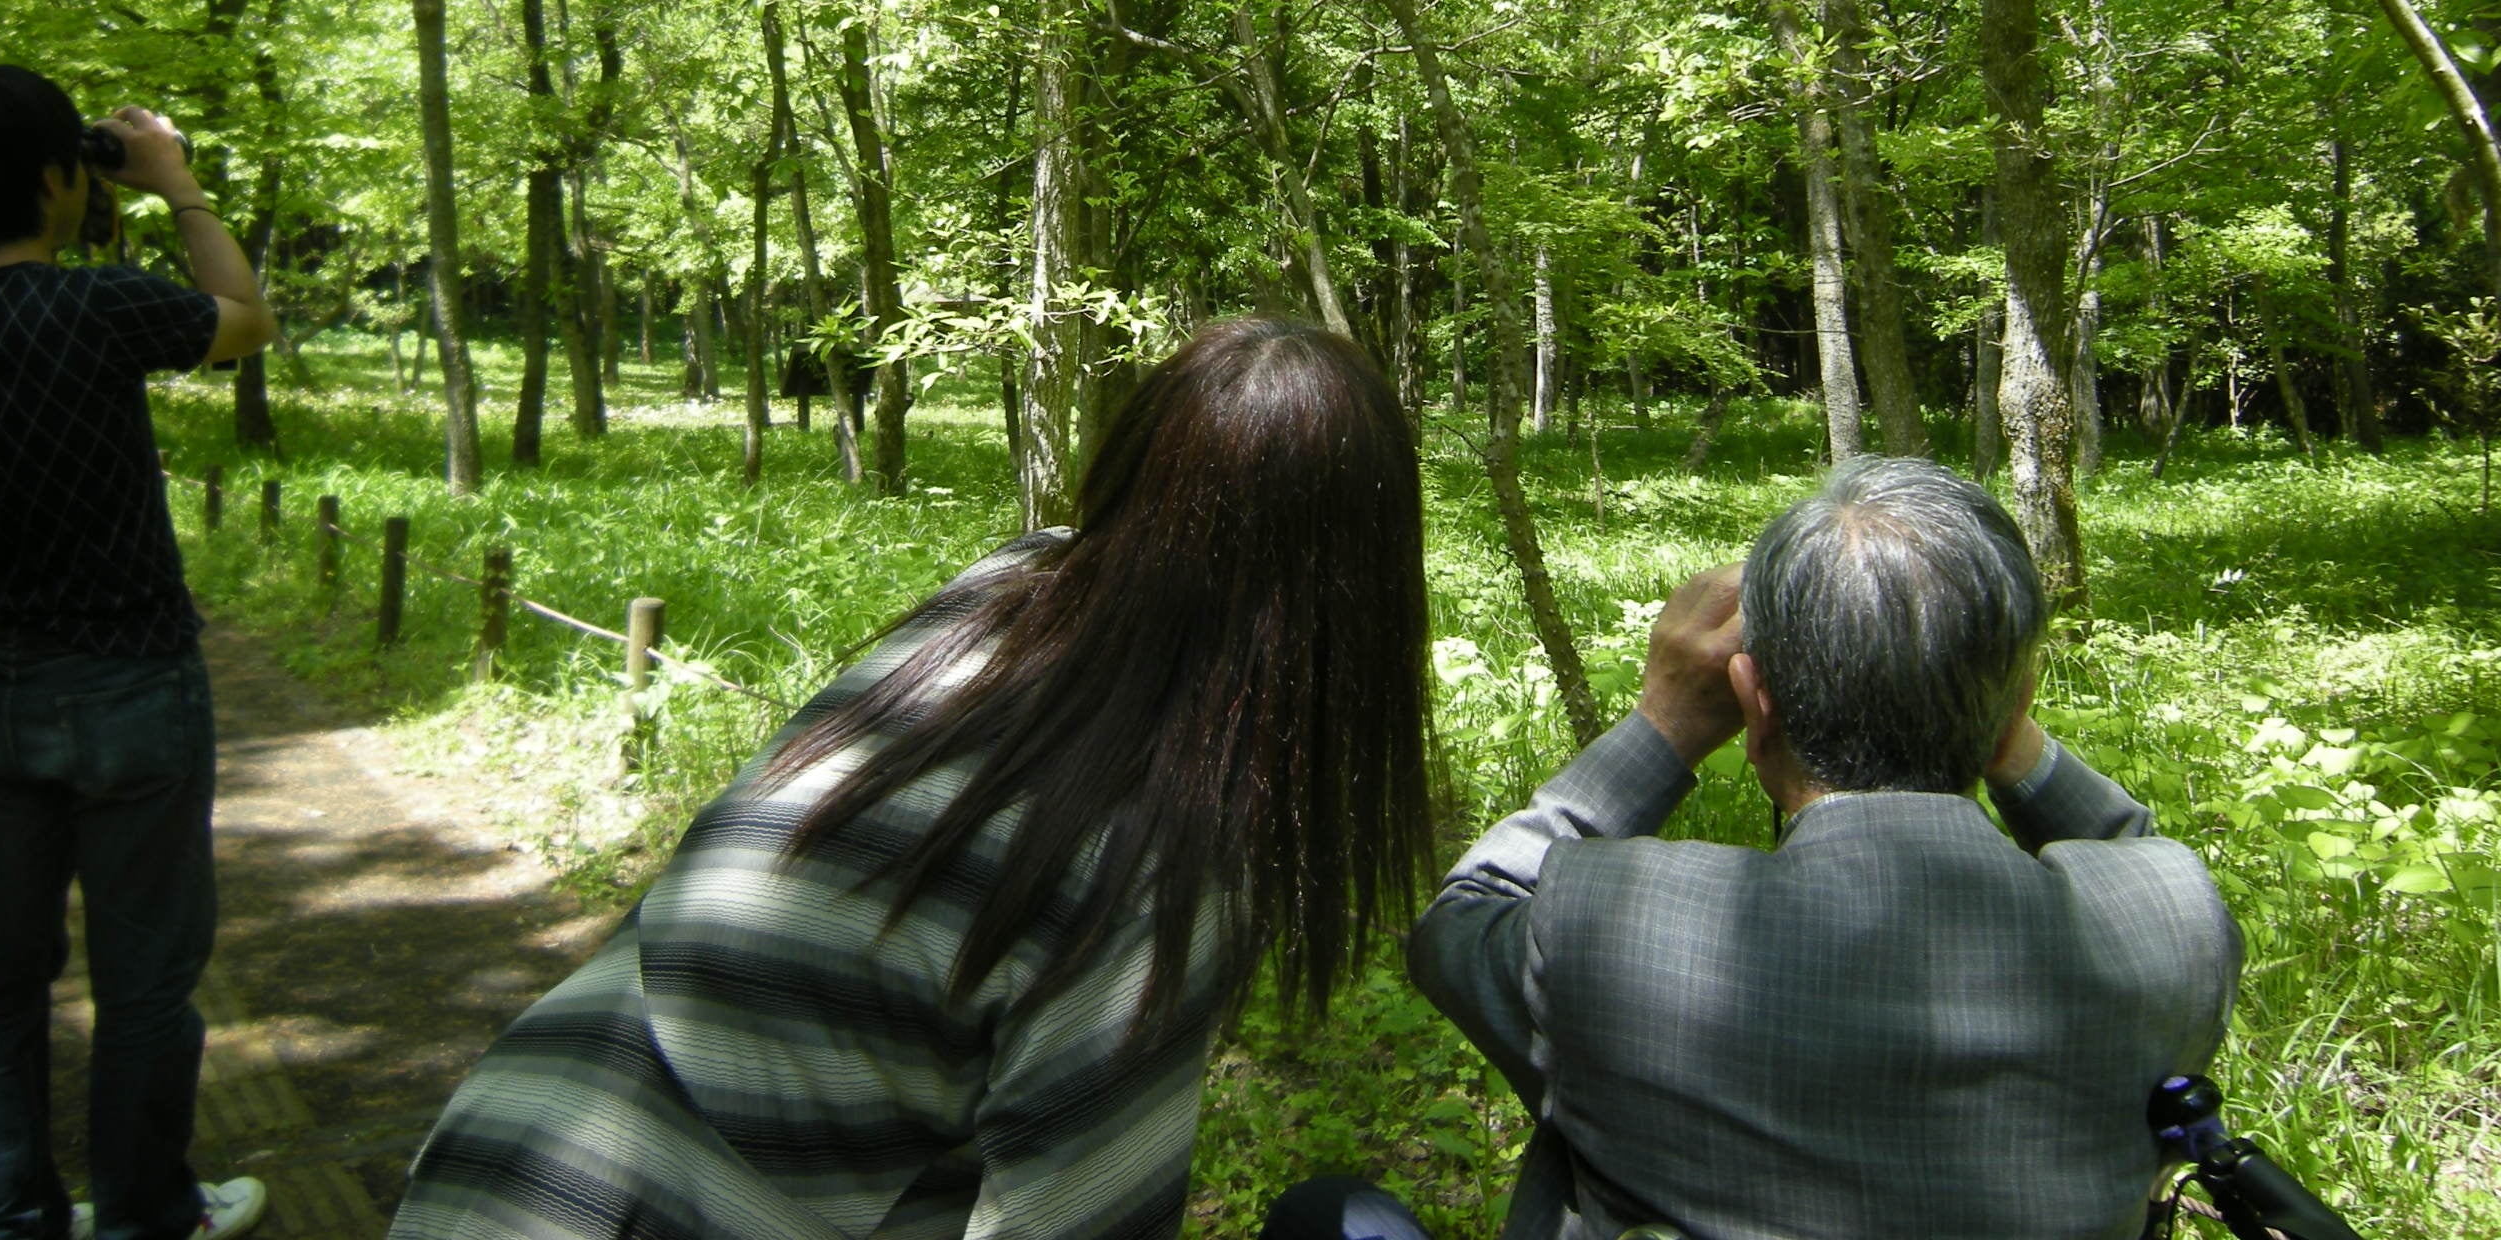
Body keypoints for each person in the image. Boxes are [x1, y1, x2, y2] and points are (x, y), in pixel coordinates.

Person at [389, 315, 1436, 1240]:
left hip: (509, 1135)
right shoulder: (1166, 868)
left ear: (1133, 469)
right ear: (1366, 593)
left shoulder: (998, 595)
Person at [1409, 457, 2243, 1240]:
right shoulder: (2170, 929)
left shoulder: (1610, 927)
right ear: (2020, 704)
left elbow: (1464, 918)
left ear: (1753, 703)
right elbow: (2140, 855)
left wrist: (1662, 728)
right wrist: (1998, 729)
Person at [0, 66, 278, 1240]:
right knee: (146, 982)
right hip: (132, 683)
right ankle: (146, 1214)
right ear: (58, 177)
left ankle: (6, 1221)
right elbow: (243, 323)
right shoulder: (96, 306)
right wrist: (178, 187)